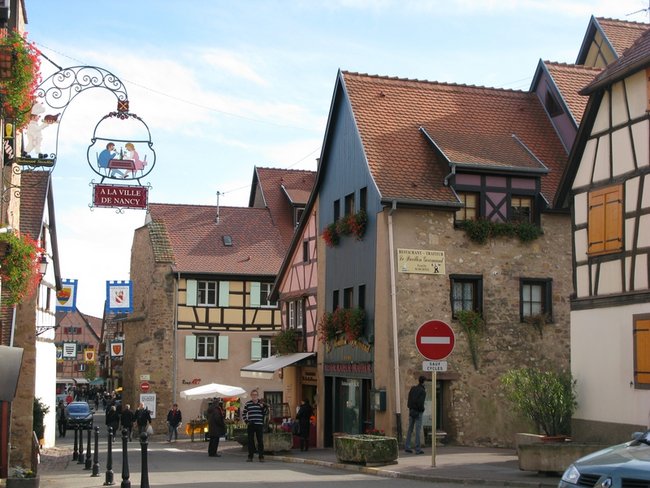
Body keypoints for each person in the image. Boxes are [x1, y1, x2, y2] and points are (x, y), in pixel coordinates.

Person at [243, 389, 268, 462]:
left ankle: (261, 457)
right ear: (251, 396)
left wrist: (262, 407)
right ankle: (250, 457)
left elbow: (266, 413)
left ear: (257, 396)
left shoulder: (261, 404)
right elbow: (243, 413)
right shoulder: (248, 404)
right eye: (253, 395)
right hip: (251, 424)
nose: (254, 396)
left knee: (260, 441)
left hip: (259, 424)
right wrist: (246, 421)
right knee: (250, 441)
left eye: (256, 395)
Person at [404, 375, 427, 454]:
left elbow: (409, 399)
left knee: (410, 429)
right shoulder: (422, 391)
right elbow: (421, 403)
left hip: (412, 411)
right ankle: (417, 449)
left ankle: (407, 446)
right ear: (423, 382)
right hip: (418, 412)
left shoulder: (413, 388)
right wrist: (422, 409)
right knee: (417, 430)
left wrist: (410, 408)